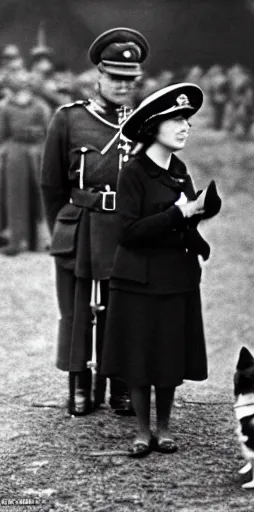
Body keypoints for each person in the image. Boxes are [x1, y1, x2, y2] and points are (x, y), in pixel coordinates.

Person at [100, 83, 220, 457]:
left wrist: (199, 218)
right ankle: (141, 431)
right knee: (138, 358)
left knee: (168, 356)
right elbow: (128, 232)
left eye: (187, 120)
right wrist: (177, 213)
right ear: (154, 127)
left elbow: (181, 223)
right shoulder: (133, 173)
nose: (186, 126)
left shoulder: (180, 171)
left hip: (175, 278)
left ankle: (164, 429)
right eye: (177, 119)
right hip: (138, 278)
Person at [40, 27, 150, 417]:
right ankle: (80, 386)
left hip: (126, 228)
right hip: (81, 226)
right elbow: (52, 184)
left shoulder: (146, 125)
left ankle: (120, 384)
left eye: (130, 79)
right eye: (115, 77)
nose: (123, 85)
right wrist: (65, 226)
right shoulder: (69, 120)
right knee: (76, 310)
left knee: (122, 308)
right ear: (98, 76)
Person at [0, 69, 51, 255]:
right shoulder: (5, 107)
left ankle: (42, 240)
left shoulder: (40, 106)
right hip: (15, 151)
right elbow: (2, 134)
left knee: (42, 196)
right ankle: (16, 240)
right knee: (15, 196)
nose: (22, 87)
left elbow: (48, 131)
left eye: (26, 83)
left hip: (39, 151)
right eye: (18, 83)